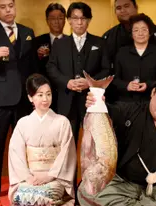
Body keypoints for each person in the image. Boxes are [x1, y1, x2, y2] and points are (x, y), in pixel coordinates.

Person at [0, 0, 38, 196]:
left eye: (10, 5)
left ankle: (24, 185)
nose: (8, 10)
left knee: (26, 147)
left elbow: (32, 65)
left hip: (24, 99)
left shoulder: (27, 31)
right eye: (2, 7)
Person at [8, 73, 77, 206]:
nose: (45, 99)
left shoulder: (62, 122)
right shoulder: (23, 123)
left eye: (48, 94)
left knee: (43, 197)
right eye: (40, 95)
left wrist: (49, 176)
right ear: (30, 97)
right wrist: (28, 177)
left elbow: (67, 155)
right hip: (29, 178)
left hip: (55, 178)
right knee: (23, 197)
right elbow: (16, 155)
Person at [46, 1, 109, 144]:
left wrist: (90, 82)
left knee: (93, 144)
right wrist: (66, 82)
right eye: (75, 18)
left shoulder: (100, 43)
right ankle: (69, 168)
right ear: (69, 20)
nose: (79, 22)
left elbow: (107, 69)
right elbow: (51, 67)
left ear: (89, 20)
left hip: (92, 101)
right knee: (67, 144)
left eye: (83, 18)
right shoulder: (59, 43)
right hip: (66, 101)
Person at [113, 13, 156, 102]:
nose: (140, 33)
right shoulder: (122, 52)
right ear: (131, 33)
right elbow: (114, 79)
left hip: (151, 101)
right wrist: (127, 85)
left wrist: (148, 85)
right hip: (126, 103)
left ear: (150, 32)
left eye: (144, 30)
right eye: (136, 30)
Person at [34, 3, 66, 112]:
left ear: (65, 20)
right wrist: (37, 56)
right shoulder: (36, 42)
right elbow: (31, 69)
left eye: (60, 18)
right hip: (43, 95)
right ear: (47, 20)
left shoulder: (71, 42)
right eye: (52, 18)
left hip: (65, 94)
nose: (56, 22)